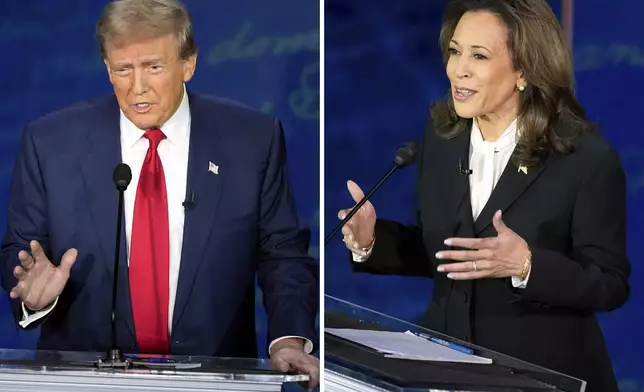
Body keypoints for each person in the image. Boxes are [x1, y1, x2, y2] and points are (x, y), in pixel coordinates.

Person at [0, 0, 319, 387]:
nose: (138, 88)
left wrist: (287, 338)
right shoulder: (50, 143)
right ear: (107, 69)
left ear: (189, 64)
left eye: (153, 66)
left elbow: (282, 253)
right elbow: (19, 249)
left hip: (214, 379)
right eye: (123, 69)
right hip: (84, 381)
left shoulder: (252, 140)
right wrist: (34, 297)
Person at [337, 0, 629, 391]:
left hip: (541, 376)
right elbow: (444, 253)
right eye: (455, 51)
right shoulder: (442, 139)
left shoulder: (584, 158)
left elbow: (610, 284)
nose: (459, 69)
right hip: (444, 370)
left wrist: (526, 265)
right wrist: (372, 241)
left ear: (523, 69)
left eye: (479, 55)